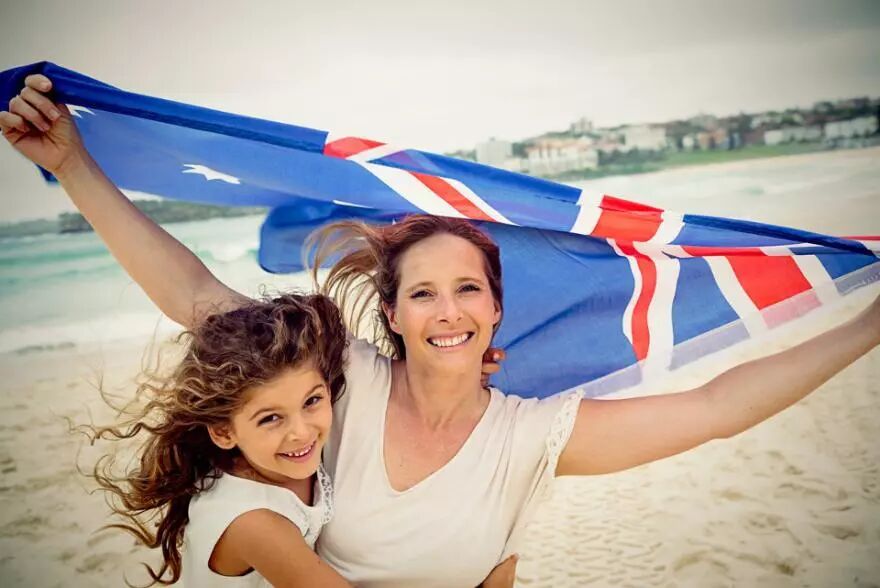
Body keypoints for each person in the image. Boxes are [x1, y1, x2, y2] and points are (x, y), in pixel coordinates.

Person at [3, 74, 879, 586]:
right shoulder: (336, 383)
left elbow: (718, 407)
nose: (448, 310)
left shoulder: (532, 434)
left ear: (496, 306)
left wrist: (869, 326)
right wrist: (73, 164)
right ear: (391, 313)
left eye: (468, 289)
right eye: (423, 293)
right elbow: (195, 292)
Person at [86, 293, 352, 586]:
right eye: (270, 418)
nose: (301, 432)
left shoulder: (278, 459)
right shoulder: (255, 523)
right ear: (224, 432)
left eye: (312, 400)